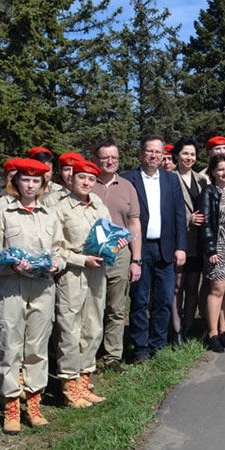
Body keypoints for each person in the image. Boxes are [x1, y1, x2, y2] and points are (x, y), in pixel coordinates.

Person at [0, 158, 62, 434]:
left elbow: (59, 249)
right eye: (25, 180)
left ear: (42, 185)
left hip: (42, 287)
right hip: (12, 286)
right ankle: (11, 405)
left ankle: (34, 401)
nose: (30, 185)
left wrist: (56, 263)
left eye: (35, 180)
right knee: (10, 344)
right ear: (15, 182)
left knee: (37, 345)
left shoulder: (49, 215)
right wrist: (10, 264)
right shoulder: (3, 212)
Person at [53, 160, 125, 407]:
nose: (86, 182)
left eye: (91, 179)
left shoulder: (98, 206)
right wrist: (81, 259)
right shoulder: (60, 208)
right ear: (71, 179)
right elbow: (55, 249)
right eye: (81, 177)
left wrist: (116, 243)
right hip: (73, 274)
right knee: (70, 329)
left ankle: (84, 380)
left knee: (93, 327)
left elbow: (109, 234)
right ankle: (69, 385)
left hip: (97, 273)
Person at [121, 135, 187, 364]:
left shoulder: (171, 180)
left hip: (166, 247)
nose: (154, 155)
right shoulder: (128, 179)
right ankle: (140, 347)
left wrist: (181, 247)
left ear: (163, 156)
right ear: (141, 153)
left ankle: (157, 344)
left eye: (158, 152)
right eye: (149, 151)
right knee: (139, 299)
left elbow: (180, 215)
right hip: (140, 248)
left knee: (164, 299)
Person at [91, 139, 143, 374]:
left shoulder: (127, 186)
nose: (110, 161)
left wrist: (136, 259)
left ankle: (113, 356)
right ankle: (88, 355)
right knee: (91, 307)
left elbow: (134, 224)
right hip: (93, 253)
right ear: (96, 160)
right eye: (105, 157)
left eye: (114, 157)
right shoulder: (87, 183)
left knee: (116, 306)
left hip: (120, 254)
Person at [198, 155, 225, 352]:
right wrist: (210, 249)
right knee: (217, 288)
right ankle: (212, 333)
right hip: (218, 241)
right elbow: (206, 221)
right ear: (213, 172)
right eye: (221, 169)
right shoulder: (209, 192)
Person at [172, 137, 208, 344]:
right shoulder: (169, 178)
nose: (189, 158)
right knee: (177, 286)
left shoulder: (202, 179)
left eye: (193, 154)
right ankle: (176, 330)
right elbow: (164, 211)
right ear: (177, 155)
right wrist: (188, 218)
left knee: (193, 287)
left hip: (197, 242)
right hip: (178, 240)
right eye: (185, 153)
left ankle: (188, 327)